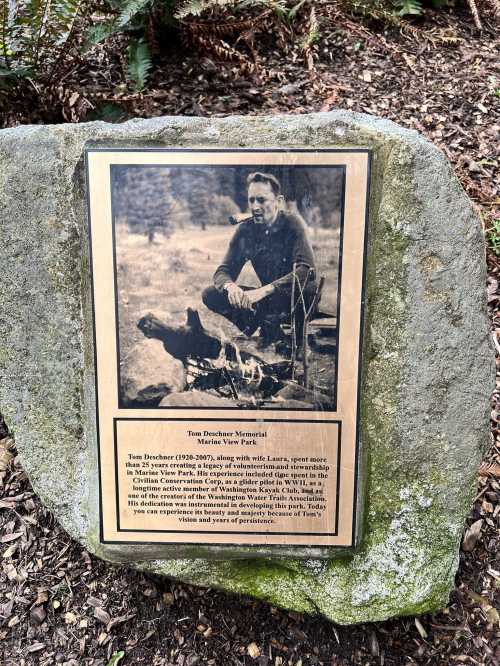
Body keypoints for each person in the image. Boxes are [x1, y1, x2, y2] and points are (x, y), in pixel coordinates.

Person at [202, 172, 317, 351]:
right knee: (211, 294)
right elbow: (222, 272)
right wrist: (231, 287)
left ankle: (289, 336)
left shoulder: (293, 223)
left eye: (262, 200)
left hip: (297, 298)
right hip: (268, 301)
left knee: (309, 289)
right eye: (251, 200)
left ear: (278, 201)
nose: (255, 206)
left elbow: (307, 270)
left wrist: (263, 291)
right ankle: (272, 331)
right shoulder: (246, 231)